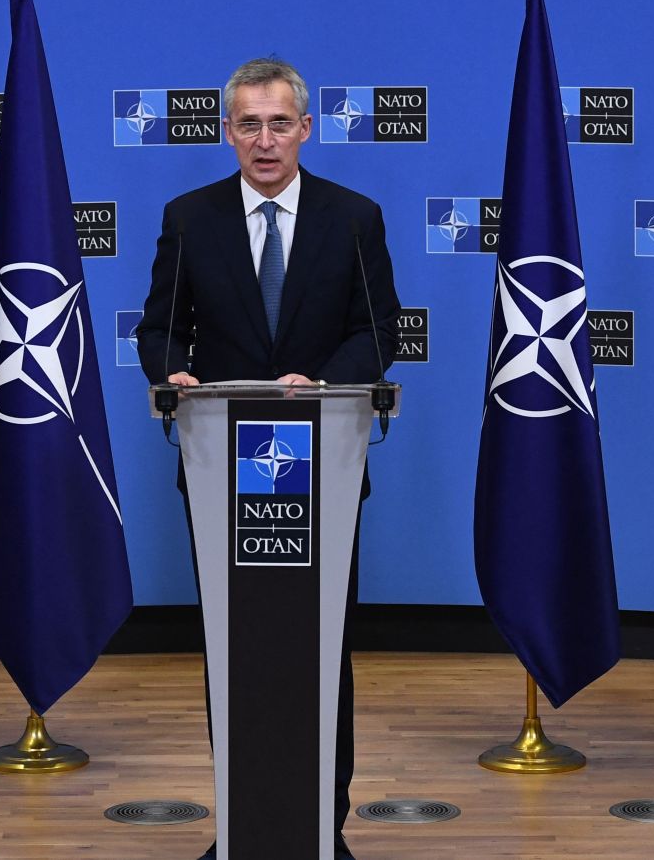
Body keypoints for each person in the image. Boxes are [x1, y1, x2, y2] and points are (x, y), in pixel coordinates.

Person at [136, 57, 400, 860]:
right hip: (224, 471)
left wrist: (323, 383)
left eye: (278, 122)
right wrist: (171, 372)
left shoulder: (354, 217)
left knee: (324, 650)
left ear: (305, 128)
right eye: (247, 123)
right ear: (227, 132)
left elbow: (380, 331)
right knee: (236, 648)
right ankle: (242, 826)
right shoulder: (191, 217)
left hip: (325, 460)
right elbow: (159, 328)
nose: (264, 139)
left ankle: (325, 827)